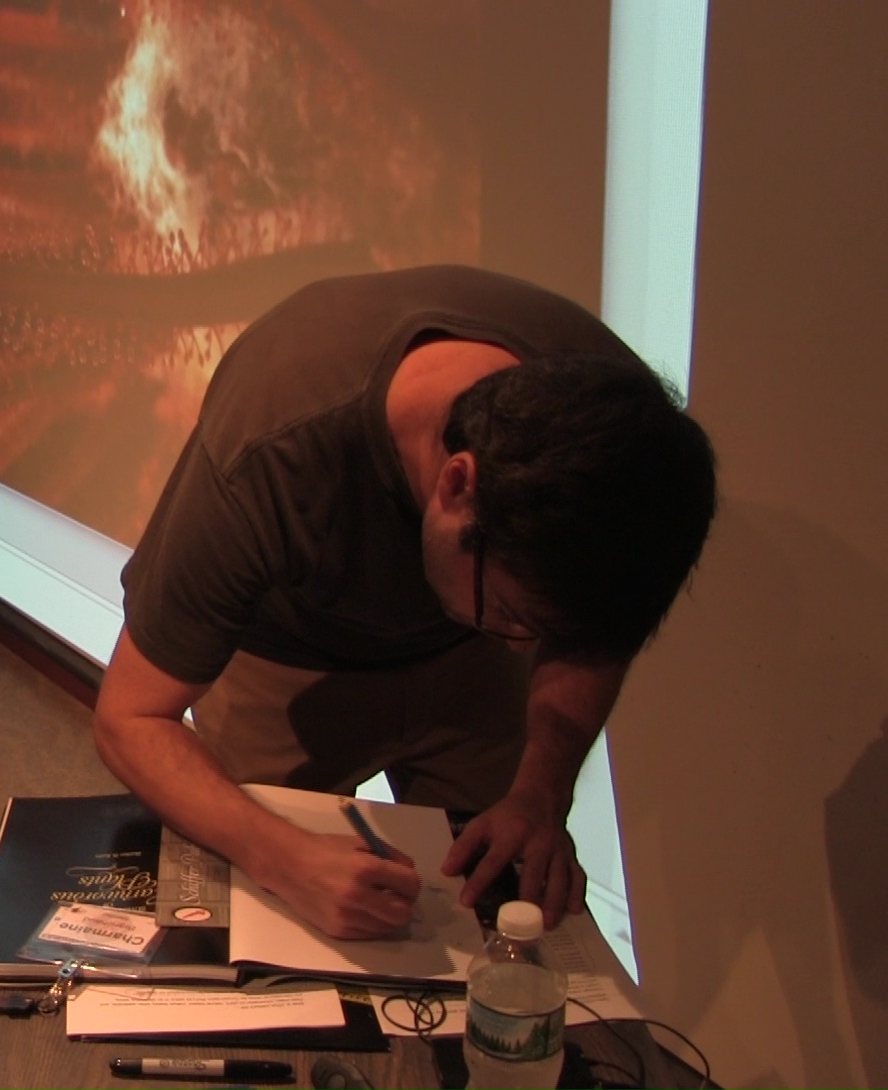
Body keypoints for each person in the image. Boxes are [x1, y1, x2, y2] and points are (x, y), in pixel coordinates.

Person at [93, 265, 716, 942]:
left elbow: (592, 638)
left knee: (487, 914)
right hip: (289, 650)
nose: (524, 649)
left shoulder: (624, 443)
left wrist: (541, 795)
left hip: (463, 651)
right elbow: (130, 719)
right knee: (260, 931)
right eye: (516, 616)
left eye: (545, 630)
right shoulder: (272, 445)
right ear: (457, 483)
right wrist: (283, 858)